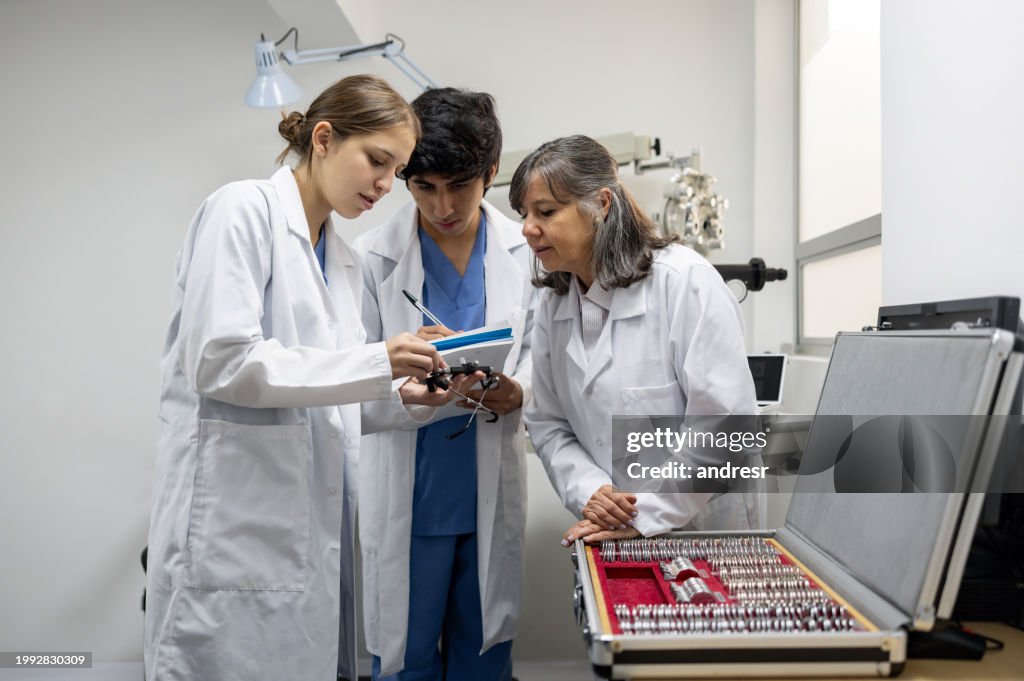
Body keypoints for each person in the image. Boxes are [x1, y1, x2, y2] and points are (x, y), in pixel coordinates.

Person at [144, 74, 464, 681]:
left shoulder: (338, 256)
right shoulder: (243, 211)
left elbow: (328, 398)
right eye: (376, 161)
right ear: (323, 138)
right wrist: (377, 360)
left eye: (396, 171)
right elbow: (221, 360)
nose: (384, 185)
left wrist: (411, 398)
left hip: (303, 538)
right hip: (236, 529)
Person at [354, 88, 534, 681]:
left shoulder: (527, 254)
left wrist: (520, 390)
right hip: (411, 492)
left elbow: (546, 358)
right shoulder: (372, 259)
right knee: (404, 660)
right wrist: (406, 389)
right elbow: (348, 384)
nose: (443, 205)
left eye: (459, 184)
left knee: (483, 656)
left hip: (487, 488)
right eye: (423, 187)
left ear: (491, 173)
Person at [509, 135, 765, 547]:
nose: (526, 228)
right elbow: (548, 422)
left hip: (704, 531)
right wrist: (592, 492)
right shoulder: (553, 304)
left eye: (546, 211)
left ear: (602, 205)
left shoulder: (684, 283)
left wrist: (642, 511)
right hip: (608, 530)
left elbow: (726, 428)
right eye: (524, 213)